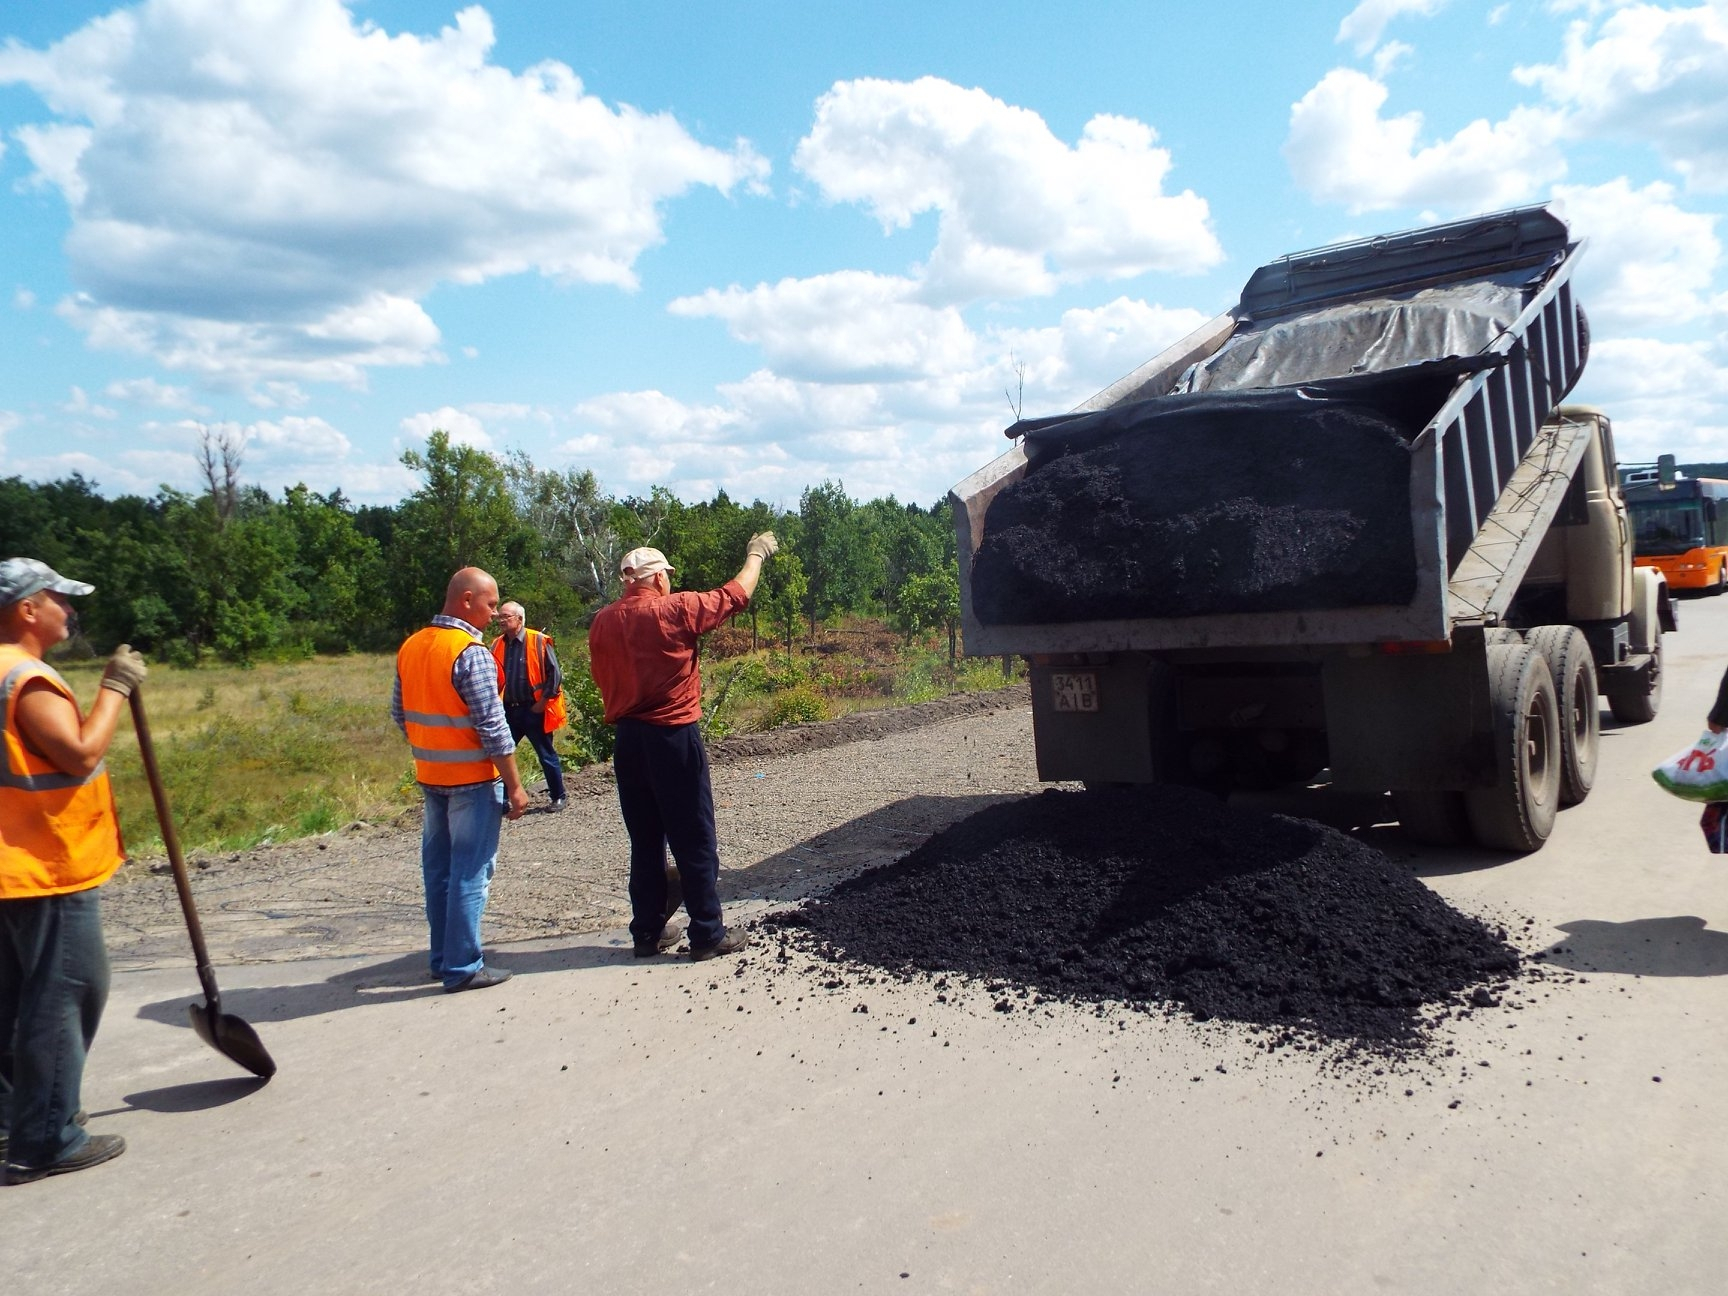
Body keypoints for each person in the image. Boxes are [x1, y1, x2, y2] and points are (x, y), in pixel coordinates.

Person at [0, 558, 145, 1184]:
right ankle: (47, 1137)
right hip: (44, 860)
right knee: (69, 988)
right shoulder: (24, 678)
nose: (69, 610)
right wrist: (113, 688)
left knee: (14, 995)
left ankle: (16, 1116)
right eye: (60, 599)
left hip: (13, 859)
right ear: (28, 608)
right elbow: (81, 750)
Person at [588, 533, 778, 961]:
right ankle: (708, 934)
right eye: (667, 578)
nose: (670, 584)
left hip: (629, 742)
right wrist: (755, 554)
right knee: (694, 837)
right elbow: (735, 594)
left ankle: (647, 932)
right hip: (672, 737)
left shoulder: (602, 621)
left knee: (646, 839)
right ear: (657, 579)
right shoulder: (674, 610)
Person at [391, 567, 529, 992]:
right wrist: (515, 785)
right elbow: (494, 728)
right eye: (490, 605)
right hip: (471, 780)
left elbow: (400, 714)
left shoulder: (412, 646)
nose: (493, 615)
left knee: (440, 871)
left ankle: (442, 958)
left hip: (431, 776)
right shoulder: (470, 652)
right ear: (466, 599)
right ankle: (464, 966)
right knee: (471, 872)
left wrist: (433, 747)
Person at [489, 601, 568, 812]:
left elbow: (555, 674)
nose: (501, 620)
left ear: (520, 619)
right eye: (500, 617)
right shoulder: (496, 644)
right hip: (508, 711)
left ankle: (558, 796)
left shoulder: (539, 640)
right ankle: (504, 800)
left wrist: (542, 703)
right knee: (502, 754)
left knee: (546, 754)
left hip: (534, 710)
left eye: (506, 616)